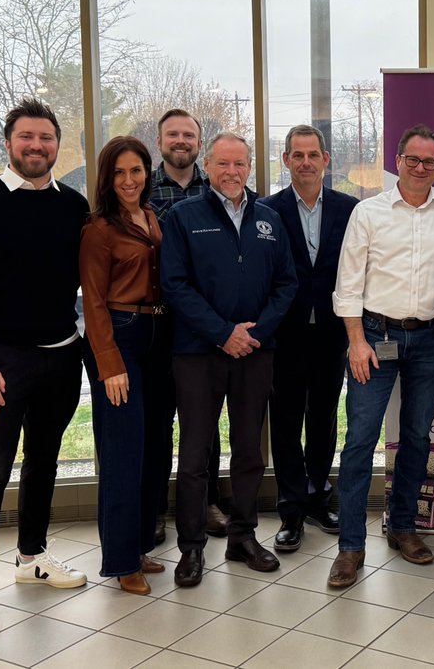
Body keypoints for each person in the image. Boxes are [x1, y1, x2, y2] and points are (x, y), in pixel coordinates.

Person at [0, 98, 89, 636]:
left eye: (46, 138)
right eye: (26, 137)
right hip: (0, 364)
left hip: (60, 357)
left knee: (45, 462)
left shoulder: (73, 206)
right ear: (9, 143)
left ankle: (32, 557)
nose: (36, 147)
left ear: (57, 145)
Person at [328, 124, 434, 588]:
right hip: (373, 336)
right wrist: (355, 340)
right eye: (412, 159)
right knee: (360, 441)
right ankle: (350, 547)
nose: (420, 168)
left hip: (430, 340)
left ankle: (403, 526)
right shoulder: (368, 213)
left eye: (429, 162)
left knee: (415, 435)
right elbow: (348, 282)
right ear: (397, 160)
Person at [161, 132, 298, 587]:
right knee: (196, 452)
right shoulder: (184, 217)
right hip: (199, 354)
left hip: (255, 353)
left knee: (248, 451)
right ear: (208, 165)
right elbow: (175, 285)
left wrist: (254, 333)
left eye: (240, 164)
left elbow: (286, 285)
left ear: (250, 167)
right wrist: (223, 334)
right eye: (223, 164)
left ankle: (242, 537)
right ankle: (192, 549)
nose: (232, 172)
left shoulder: (269, 219)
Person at [78, 136, 172, 595]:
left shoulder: (152, 217)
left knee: (155, 447)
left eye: (136, 171)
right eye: (119, 173)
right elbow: (92, 302)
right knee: (122, 452)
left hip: (158, 337)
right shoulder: (99, 229)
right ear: (106, 179)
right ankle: (119, 562)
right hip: (121, 337)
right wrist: (109, 363)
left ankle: (137, 547)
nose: (129, 180)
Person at [262, 125, 358, 552]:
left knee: (323, 420)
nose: (305, 162)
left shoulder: (351, 209)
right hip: (285, 335)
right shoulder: (266, 211)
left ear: (326, 161)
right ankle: (291, 510)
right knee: (284, 424)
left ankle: (319, 497)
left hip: (333, 334)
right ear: (285, 161)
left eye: (312, 155)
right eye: (296, 155)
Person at [147, 109, 226, 545]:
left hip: (205, 329)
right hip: (158, 326)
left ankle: (207, 503)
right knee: (160, 424)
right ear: (160, 141)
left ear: (200, 143)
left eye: (189, 135)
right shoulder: (143, 190)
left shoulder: (214, 189)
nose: (181, 141)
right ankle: (156, 508)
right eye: (173, 134)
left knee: (205, 424)